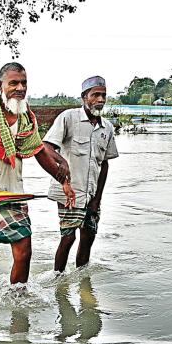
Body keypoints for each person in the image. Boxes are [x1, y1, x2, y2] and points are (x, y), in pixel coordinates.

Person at [0, 62, 75, 285]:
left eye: (24, 83)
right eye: (14, 83)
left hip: (12, 195)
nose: (20, 88)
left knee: (23, 252)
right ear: (0, 85)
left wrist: (63, 181)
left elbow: (40, 153)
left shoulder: (26, 118)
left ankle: (17, 298)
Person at [45, 76, 119, 272]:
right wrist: (62, 163)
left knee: (88, 238)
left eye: (103, 95)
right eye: (95, 95)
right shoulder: (69, 118)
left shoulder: (107, 128)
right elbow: (46, 147)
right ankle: (58, 279)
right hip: (69, 192)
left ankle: (83, 281)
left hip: (91, 195)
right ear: (84, 97)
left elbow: (104, 165)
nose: (100, 99)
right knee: (68, 238)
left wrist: (97, 200)